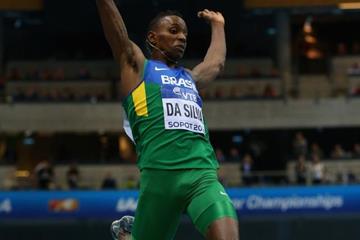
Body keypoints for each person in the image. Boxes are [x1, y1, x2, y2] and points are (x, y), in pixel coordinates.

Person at [96, 1, 239, 240]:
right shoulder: (139, 67)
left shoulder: (190, 77)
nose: (182, 37)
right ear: (153, 38)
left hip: (201, 174)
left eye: (184, 32)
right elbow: (117, 34)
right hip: (159, 179)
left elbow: (216, 64)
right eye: (173, 31)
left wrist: (218, 25)